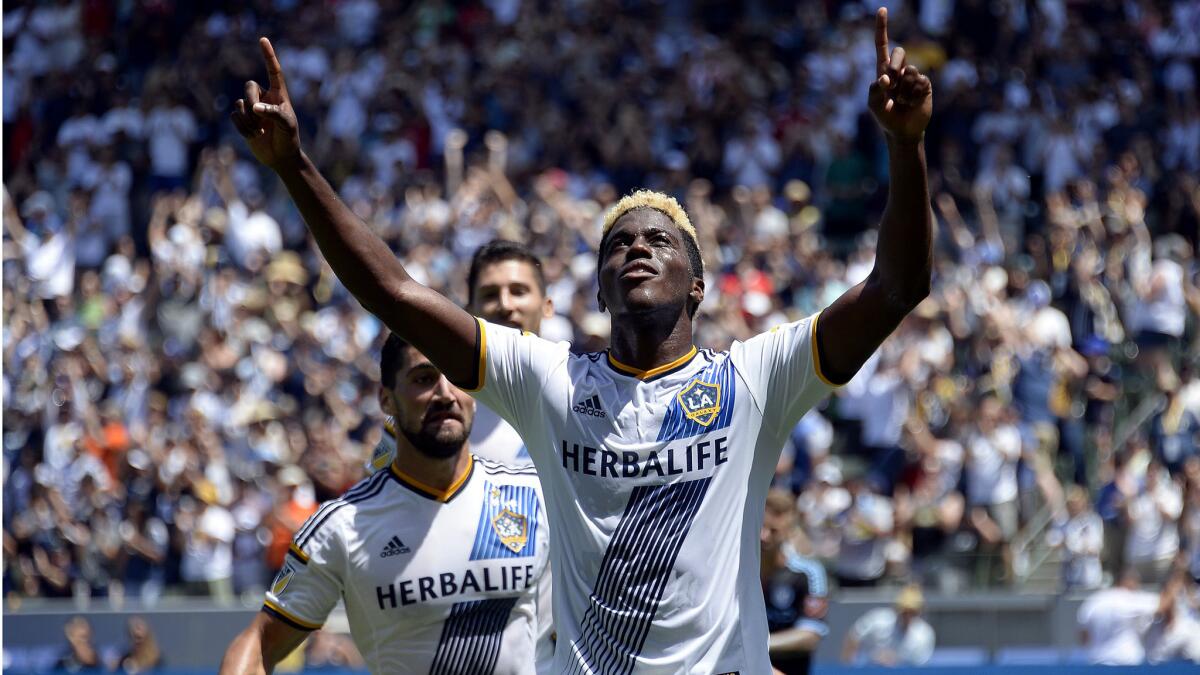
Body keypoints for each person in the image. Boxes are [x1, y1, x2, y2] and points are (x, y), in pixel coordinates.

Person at [230, 8, 933, 670]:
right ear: (598, 291)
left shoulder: (754, 379)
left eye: (660, 239)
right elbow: (396, 294)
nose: (636, 247)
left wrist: (906, 148)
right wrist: (295, 167)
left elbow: (896, 287)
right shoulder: (553, 382)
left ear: (697, 283)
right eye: (618, 243)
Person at [219, 335, 551, 674]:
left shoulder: (534, 495)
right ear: (386, 400)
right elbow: (260, 643)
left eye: (456, 376)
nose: (445, 393)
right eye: (424, 378)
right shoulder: (342, 525)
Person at [367, 240, 553, 473]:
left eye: (518, 291)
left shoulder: (581, 393)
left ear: (547, 306)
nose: (505, 305)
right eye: (490, 295)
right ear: (469, 312)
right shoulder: (440, 400)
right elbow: (374, 490)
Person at [761, 490, 829, 675]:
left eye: (773, 530)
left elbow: (810, 636)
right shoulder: (738, 571)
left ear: (788, 531)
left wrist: (760, 645)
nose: (764, 536)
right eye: (759, 527)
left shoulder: (807, 572)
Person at [1077, 568, 1161, 665]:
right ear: (1129, 581)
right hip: (1126, 663)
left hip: (1098, 662)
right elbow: (1161, 606)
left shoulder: (1093, 600)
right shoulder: (1129, 599)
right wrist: (1176, 577)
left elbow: (1083, 634)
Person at [840, 585, 935, 666]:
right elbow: (854, 636)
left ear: (918, 613)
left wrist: (894, 660)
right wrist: (848, 669)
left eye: (912, 612)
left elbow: (919, 667)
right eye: (904, 612)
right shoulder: (878, 619)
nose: (907, 616)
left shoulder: (925, 635)